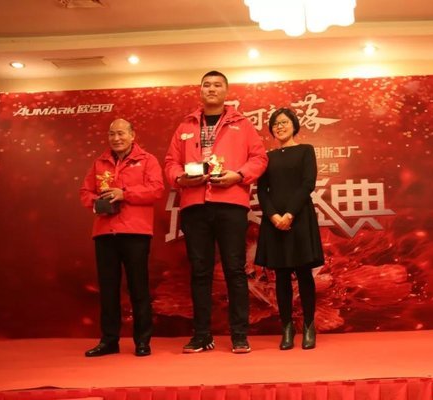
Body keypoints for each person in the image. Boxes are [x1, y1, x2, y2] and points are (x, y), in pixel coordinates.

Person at [164, 71, 268, 354]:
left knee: (235, 270)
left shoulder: (242, 124)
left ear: (226, 91)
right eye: (207, 85)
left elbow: (259, 158)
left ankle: (239, 335)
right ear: (200, 91)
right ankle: (201, 335)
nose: (211, 89)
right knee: (200, 271)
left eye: (217, 85)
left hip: (230, 205)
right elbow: (171, 162)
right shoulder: (186, 125)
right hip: (195, 205)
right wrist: (180, 179)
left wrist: (239, 176)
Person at [80, 118, 164, 357]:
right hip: (105, 233)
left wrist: (123, 194)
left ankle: (142, 341)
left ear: (132, 135)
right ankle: (109, 341)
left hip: (135, 233)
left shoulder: (147, 160)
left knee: (138, 288)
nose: (116, 138)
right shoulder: (99, 162)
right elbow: (85, 192)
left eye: (121, 133)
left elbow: (156, 189)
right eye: (112, 134)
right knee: (108, 290)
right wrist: (97, 203)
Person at [255, 108, 324, 350]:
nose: (280, 126)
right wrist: (274, 216)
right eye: (275, 124)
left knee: (304, 273)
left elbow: (308, 183)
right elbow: (262, 190)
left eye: (284, 122)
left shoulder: (305, 150)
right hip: (274, 220)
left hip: (299, 217)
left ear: (294, 126)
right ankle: (287, 328)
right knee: (281, 275)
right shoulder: (267, 157)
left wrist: (289, 214)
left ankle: (309, 326)